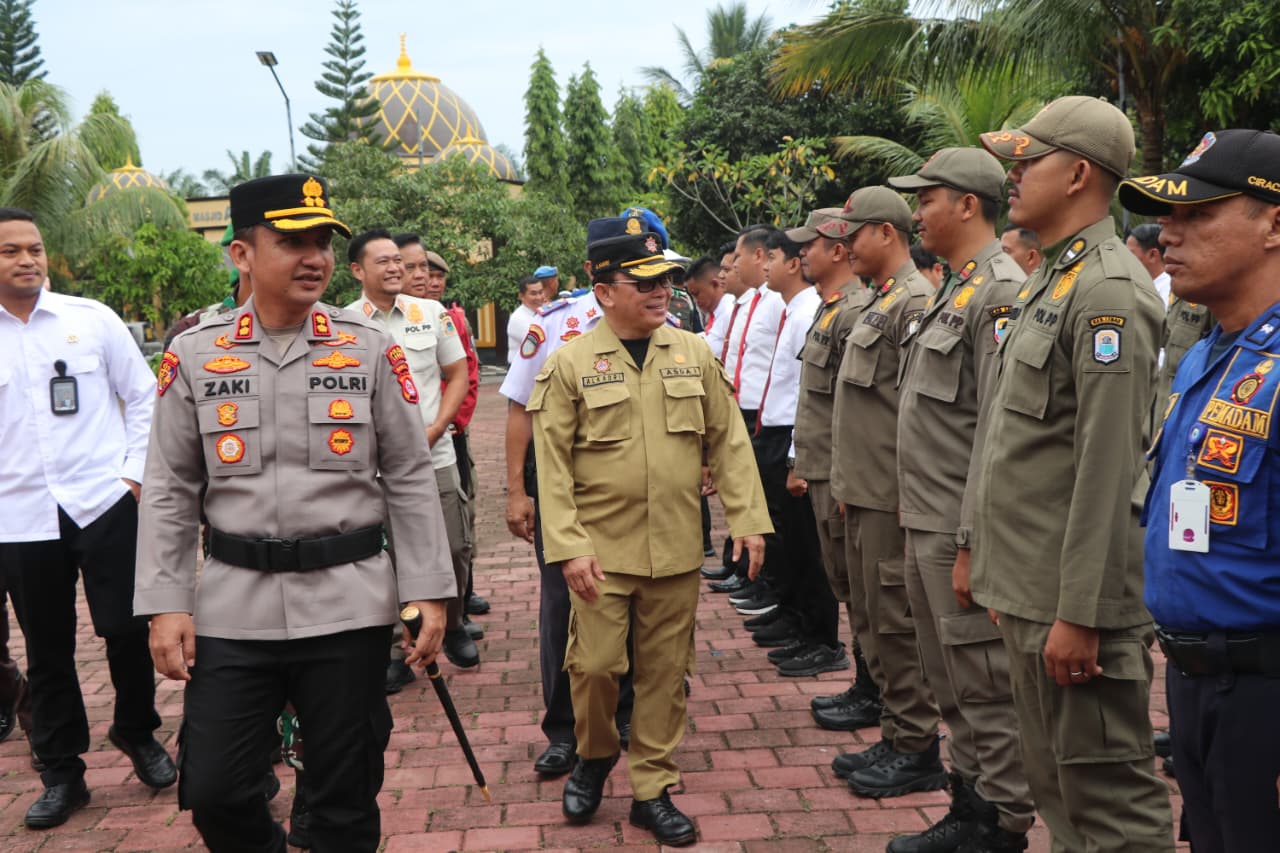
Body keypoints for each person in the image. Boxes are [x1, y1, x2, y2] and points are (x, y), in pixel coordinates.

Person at [135, 174, 457, 853]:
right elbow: (169, 487)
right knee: (217, 789)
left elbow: (405, 472)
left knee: (344, 796)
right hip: (234, 607)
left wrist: (429, 588)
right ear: (241, 254)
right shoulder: (195, 352)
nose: (314, 257)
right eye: (292, 241)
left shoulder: (368, 346)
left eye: (322, 242)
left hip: (348, 604)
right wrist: (166, 602)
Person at [972, 96, 1174, 852]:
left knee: (1109, 803)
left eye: (1028, 160)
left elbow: (1109, 463)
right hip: (1033, 585)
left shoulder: (1108, 290)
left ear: (1079, 173)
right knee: (1060, 789)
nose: (1014, 175)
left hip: (1072, 600)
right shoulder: (1053, 278)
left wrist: (1080, 611)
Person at [530, 220, 770, 846]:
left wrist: (748, 520)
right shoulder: (569, 364)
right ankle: (593, 753)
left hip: (675, 549)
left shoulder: (693, 351)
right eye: (642, 281)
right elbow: (550, 468)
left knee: (665, 673)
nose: (660, 289)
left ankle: (651, 789)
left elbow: (730, 441)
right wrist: (569, 546)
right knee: (596, 667)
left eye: (664, 276)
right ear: (602, 289)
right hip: (600, 553)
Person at [1121, 127, 1280, 853]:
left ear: (1273, 221)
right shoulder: (1215, 349)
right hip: (1195, 682)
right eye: (1167, 217)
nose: (1167, 234)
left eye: (1197, 215)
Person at [0, 206, 176, 829]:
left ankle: (137, 732)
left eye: (34, 248)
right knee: (47, 649)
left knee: (128, 632)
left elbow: (143, 397)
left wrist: (130, 476)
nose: (27, 259)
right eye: (10, 251)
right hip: (19, 518)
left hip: (103, 503)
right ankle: (62, 772)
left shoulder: (90, 319)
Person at [888, 148, 1034, 851]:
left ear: (967, 205)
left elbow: (996, 431)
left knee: (983, 684)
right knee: (950, 682)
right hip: (926, 518)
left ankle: (1003, 822)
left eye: (929, 197)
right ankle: (969, 805)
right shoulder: (955, 288)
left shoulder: (1002, 292)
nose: (918, 211)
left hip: (958, 526)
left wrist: (974, 538)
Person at [501, 216, 653, 778]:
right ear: (594, 271)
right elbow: (519, 408)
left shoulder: (661, 317)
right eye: (626, 266)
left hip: (640, 497)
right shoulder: (555, 324)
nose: (645, 280)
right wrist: (516, 490)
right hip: (565, 496)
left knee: (642, 602)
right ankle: (564, 730)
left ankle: (631, 714)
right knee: (565, 609)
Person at [820, 187, 943, 800]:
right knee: (872, 618)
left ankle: (917, 744)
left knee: (896, 622)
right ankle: (898, 731)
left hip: (894, 498)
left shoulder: (914, 302)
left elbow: (915, 414)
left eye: (856, 233)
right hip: (864, 493)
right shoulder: (879, 302)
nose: (846, 246)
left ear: (887, 234)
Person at [345, 228, 475, 677]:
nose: (396, 267)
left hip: (432, 456)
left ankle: (453, 622)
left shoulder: (431, 312)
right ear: (357, 270)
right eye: (383, 261)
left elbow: (457, 372)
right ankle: (398, 649)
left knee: (455, 546)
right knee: (388, 559)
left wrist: (439, 428)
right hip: (372, 467)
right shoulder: (342, 324)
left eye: (398, 260)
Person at [785, 208, 882, 731]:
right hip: (822, 468)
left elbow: (857, 412)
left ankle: (877, 692)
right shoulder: (831, 310)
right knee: (847, 585)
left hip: (843, 474)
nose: (803, 252)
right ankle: (867, 683)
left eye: (813, 244)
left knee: (867, 594)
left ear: (840, 250)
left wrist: (843, 473)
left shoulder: (855, 312)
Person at [743, 228, 843, 676]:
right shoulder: (793, 309)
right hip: (779, 428)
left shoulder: (808, 312)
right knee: (788, 535)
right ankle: (797, 620)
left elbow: (810, 390)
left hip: (793, 435)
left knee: (806, 543)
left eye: (778, 256)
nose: (768, 265)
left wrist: (798, 454)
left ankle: (820, 636)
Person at [404, 238, 487, 618]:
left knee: (458, 530)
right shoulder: (360, 320)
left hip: (445, 434)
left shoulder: (443, 316)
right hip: (400, 448)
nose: (427, 280)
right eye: (418, 270)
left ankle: (457, 611)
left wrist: (450, 424)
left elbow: (466, 374)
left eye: (434, 274)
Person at [507, 274, 546, 365]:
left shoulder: (543, 313)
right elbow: (540, 343)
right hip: (520, 370)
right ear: (521, 296)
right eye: (533, 294)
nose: (539, 297)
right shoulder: (518, 318)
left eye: (541, 292)